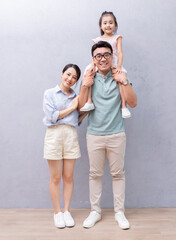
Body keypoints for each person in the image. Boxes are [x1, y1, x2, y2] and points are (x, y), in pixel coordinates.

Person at [78, 41, 137, 229]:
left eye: (106, 55)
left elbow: (133, 102)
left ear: (112, 56)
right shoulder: (89, 76)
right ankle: (95, 211)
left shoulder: (120, 75)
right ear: (93, 59)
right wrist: (84, 86)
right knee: (94, 174)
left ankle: (120, 213)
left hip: (117, 133)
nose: (102, 58)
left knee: (118, 174)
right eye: (98, 56)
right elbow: (80, 107)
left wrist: (124, 81)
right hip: (94, 134)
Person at [43, 64, 81, 228]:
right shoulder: (50, 93)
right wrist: (72, 107)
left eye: (74, 77)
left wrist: (82, 107)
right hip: (54, 134)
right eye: (68, 74)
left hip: (70, 135)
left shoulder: (76, 96)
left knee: (68, 177)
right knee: (56, 177)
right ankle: (57, 212)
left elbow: (77, 119)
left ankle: (66, 211)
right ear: (62, 74)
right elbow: (52, 117)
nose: (70, 79)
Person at [80, 11, 131, 118]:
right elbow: (94, 55)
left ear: (115, 25)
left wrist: (119, 66)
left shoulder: (117, 37)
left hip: (114, 61)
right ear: (100, 26)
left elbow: (120, 52)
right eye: (105, 23)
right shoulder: (97, 40)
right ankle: (89, 101)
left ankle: (124, 106)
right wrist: (93, 66)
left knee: (121, 79)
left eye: (111, 23)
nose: (108, 25)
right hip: (100, 63)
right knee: (88, 74)